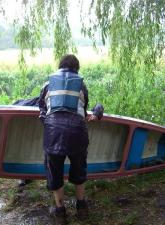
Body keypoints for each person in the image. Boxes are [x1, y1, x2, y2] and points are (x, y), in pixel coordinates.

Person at [38, 54, 103, 224]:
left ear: (60, 66)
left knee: (54, 170)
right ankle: (81, 206)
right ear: (77, 68)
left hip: (53, 133)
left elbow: (42, 111)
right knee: (79, 168)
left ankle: (60, 212)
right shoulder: (81, 84)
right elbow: (84, 107)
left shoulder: (47, 84)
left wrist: (51, 125)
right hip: (77, 131)